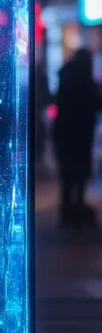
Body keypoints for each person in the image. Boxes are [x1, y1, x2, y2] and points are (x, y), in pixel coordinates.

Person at [53, 48, 100, 228]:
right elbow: (95, 103)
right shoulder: (85, 81)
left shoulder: (66, 77)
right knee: (79, 174)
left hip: (65, 133)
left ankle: (67, 211)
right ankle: (77, 209)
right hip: (81, 134)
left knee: (67, 174)